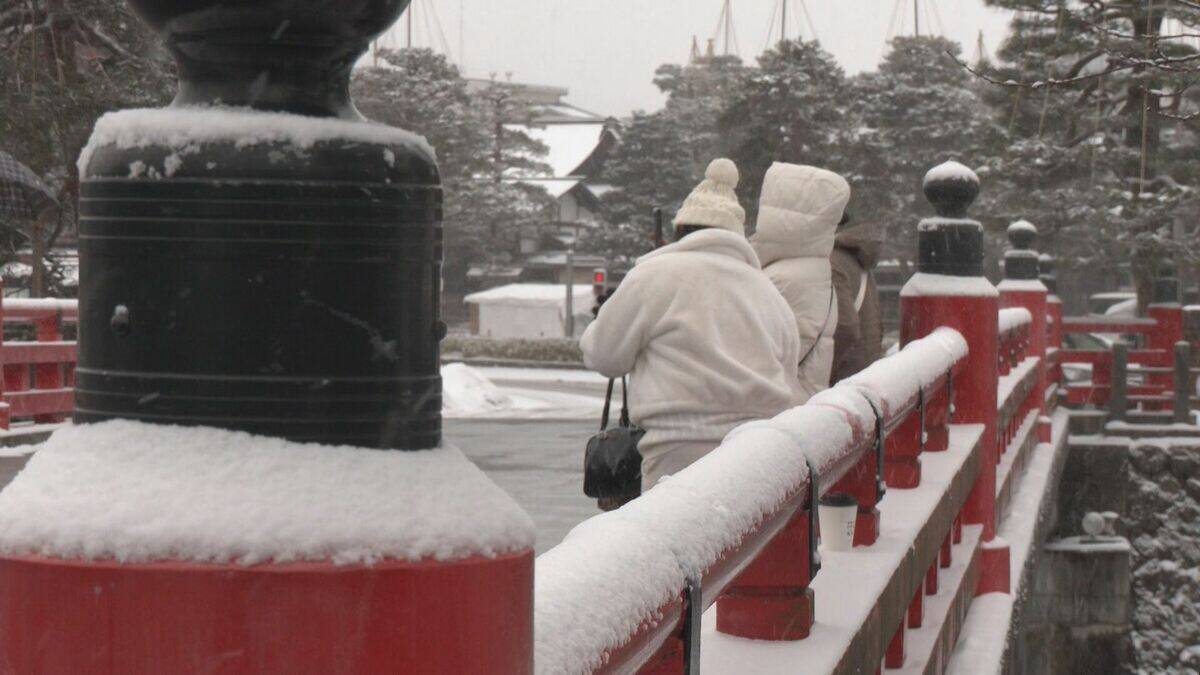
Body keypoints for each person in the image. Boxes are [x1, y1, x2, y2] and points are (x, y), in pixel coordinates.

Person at [580, 158, 802, 491]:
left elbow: (605, 357)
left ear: (680, 231)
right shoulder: (768, 292)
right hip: (758, 455)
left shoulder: (652, 277)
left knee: (675, 540)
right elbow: (788, 374)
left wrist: (603, 319)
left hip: (674, 452)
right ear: (735, 236)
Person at [751, 162, 850, 402]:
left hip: (775, 412)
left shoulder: (782, 278)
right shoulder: (810, 270)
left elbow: (753, 357)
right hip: (797, 405)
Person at [830, 216, 884, 385]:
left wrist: (823, 371)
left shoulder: (833, 262)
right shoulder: (859, 261)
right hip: (864, 376)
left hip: (840, 382)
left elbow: (845, 326)